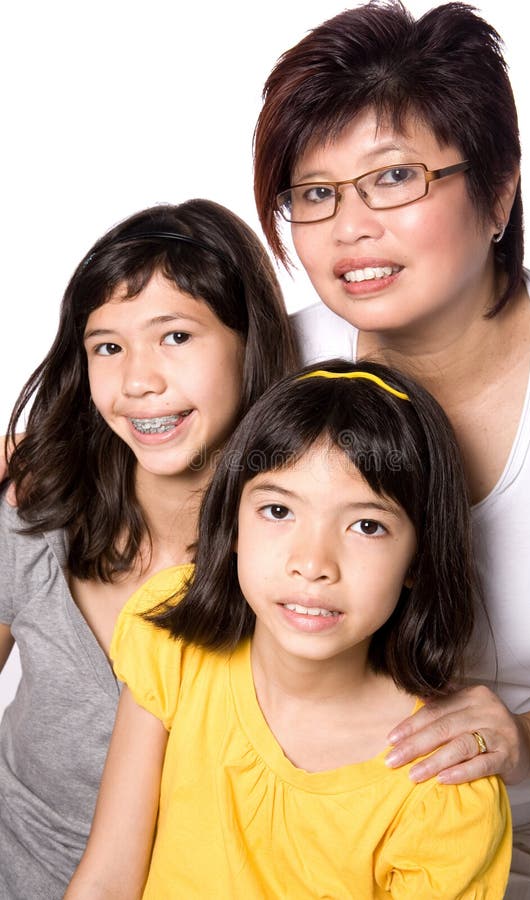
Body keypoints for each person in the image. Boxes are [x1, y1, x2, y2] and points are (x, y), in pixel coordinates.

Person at [252, 1, 530, 895]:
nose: (349, 227)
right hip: (315, 814)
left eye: (394, 177)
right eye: (315, 193)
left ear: (499, 193)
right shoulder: (275, 364)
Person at [65, 360, 511, 899]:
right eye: (278, 511)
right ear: (232, 525)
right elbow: (108, 878)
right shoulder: (175, 640)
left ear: (418, 558)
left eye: (366, 525)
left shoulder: (445, 784)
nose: (312, 563)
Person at [0, 198, 297, 899]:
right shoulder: (36, 511)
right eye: (108, 346)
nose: (138, 381)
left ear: (249, 342)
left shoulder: (300, 566)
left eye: (176, 336)